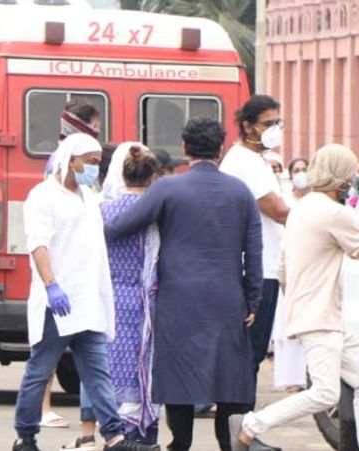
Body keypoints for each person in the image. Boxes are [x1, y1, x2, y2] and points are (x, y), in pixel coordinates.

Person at [228, 144, 359, 451]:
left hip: (320, 315)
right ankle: (251, 424)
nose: (352, 180)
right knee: (325, 393)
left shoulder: (300, 207)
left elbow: (283, 268)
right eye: (350, 173)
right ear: (341, 177)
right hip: (321, 319)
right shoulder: (334, 213)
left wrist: (301, 304)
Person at [104, 118, 263, 451]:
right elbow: (254, 251)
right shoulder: (241, 192)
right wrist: (252, 300)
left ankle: (181, 442)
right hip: (227, 298)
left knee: (178, 371)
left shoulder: (166, 188)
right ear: (221, 148)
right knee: (228, 376)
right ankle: (228, 442)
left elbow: (120, 227)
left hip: (177, 298)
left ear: (184, 147)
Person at [14, 133, 155, 451]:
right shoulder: (43, 196)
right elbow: (38, 244)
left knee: (97, 373)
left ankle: (115, 436)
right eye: (90, 162)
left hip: (88, 301)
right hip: (59, 303)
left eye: (97, 163)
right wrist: (51, 286)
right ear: (71, 160)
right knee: (40, 370)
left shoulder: (89, 198)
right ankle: (24, 436)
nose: (94, 168)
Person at [40, 100, 103, 429]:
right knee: (51, 340)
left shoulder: (72, 160)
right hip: (61, 263)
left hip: (75, 263)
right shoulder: (62, 162)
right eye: (94, 126)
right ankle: (42, 408)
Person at [219, 95, 289, 389]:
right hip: (256, 269)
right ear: (247, 126)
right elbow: (277, 210)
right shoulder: (244, 162)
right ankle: (240, 422)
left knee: (253, 350)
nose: (274, 129)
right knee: (249, 350)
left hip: (265, 265)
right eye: (268, 124)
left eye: (278, 123)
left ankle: (240, 418)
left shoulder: (257, 160)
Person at [101, 144, 163, 445]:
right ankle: (141, 433)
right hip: (145, 300)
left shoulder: (104, 210)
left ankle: (117, 429)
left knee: (116, 363)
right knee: (144, 366)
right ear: (152, 177)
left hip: (111, 297)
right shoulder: (153, 214)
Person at [270, 157, 310, 392]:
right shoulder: (283, 201)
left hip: (309, 266)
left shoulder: (316, 200)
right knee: (286, 322)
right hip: (287, 263)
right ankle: (289, 377)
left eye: (305, 170)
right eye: (297, 170)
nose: (302, 174)